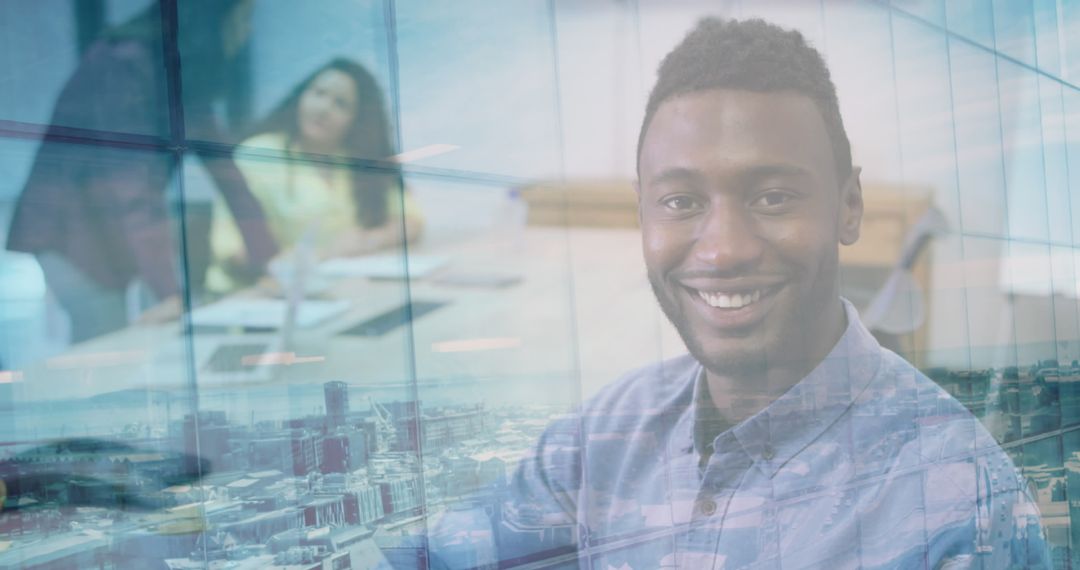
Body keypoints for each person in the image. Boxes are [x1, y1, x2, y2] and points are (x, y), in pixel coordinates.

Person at [430, 18, 1049, 569]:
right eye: (680, 202)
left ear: (849, 206)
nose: (723, 250)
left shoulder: (960, 499)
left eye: (772, 196)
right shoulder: (601, 436)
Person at [5, 0, 277, 342]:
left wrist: (270, 260)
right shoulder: (126, 62)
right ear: (211, 21)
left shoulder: (183, 71)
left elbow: (225, 171)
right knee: (104, 341)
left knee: (117, 339)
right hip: (70, 231)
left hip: (109, 226)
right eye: (243, 18)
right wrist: (169, 293)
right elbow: (130, 185)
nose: (247, 29)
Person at [206, 58, 423, 294]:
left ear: (357, 119)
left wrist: (366, 241)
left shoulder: (357, 160)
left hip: (338, 291)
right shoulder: (258, 154)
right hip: (254, 297)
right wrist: (287, 262)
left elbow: (410, 221)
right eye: (318, 93)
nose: (323, 108)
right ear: (301, 96)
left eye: (340, 104)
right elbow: (230, 250)